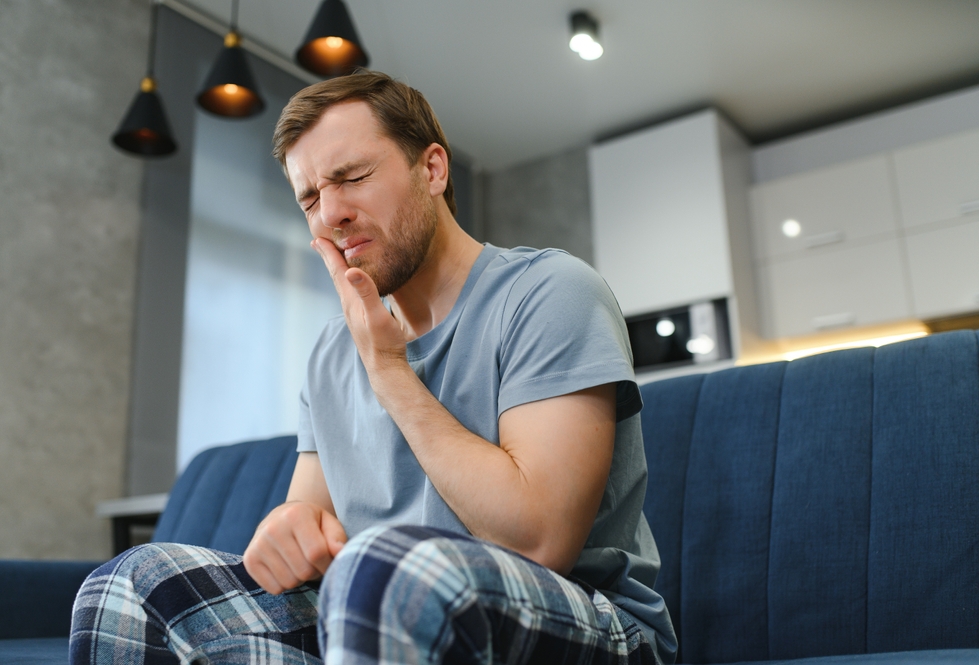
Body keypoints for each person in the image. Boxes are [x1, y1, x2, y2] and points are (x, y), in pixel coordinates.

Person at [70, 70, 676, 665]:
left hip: (592, 621)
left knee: (385, 567)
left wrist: (389, 370)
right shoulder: (333, 350)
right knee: (130, 589)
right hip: (381, 614)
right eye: (309, 198)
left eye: (352, 177)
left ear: (432, 169)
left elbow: (539, 539)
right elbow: (314, 524)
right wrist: (289, 528)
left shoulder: (549, 292)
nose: (330, 213)